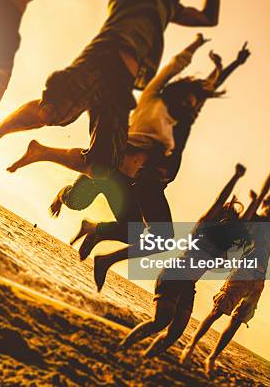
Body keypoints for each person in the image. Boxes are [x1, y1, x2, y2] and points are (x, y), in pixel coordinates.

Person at [0, 0, 222, 173]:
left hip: (123, 83)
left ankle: (40, 151)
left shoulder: (169, 5)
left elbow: (209, 18)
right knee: (51, 113)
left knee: (103, 166)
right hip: (105, 57)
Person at [51, 41, 251, 291]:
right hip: (131, 172)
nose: (192, 107)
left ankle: (100, 246)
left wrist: (233, 65)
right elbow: (195, 86)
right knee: (76, 201)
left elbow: (207, 89)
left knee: (143, 237)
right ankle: (72, 206)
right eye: (188, 103)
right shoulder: (162, 110)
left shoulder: (184, 118)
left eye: (194, 104)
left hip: (146, 183)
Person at [180, 158, 270, 374]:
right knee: (218, 311)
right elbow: (263, 193)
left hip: (258, 280)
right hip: (242, 271)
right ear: (265, 204)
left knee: (237, 321)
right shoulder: (251, 219)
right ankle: (191, 345)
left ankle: (212, 357)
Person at [118, 164, 250, 358]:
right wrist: (236, 177)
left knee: (174, 335)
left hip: (188, 286)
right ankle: (122, 348)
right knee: (161, 321)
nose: (225, 222)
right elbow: (218, 201)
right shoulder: (203, 227)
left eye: (230, 222)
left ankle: (143, 358)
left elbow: (243, 223)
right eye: (224, 217)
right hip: (174, 274)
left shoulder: (222, 248)